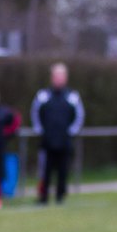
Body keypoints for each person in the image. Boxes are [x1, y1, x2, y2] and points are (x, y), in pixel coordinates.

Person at [30, 63, 84, 204]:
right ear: (52, 77)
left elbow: (79, 115)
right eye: (56, 76)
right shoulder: (43, 95)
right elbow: (35, 113)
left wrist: (71, 131)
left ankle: (60, 196)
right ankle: (43, 197)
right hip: (47, 141)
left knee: (63, 170)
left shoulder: (72, 96)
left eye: (61, 76)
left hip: (64, 141)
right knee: (45, 171)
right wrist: (40, 130)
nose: (59, 79)